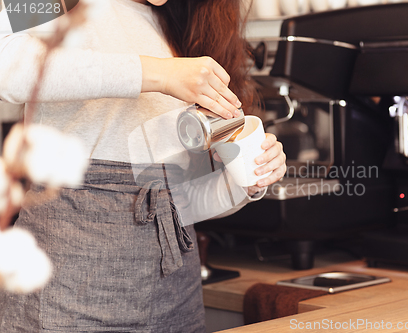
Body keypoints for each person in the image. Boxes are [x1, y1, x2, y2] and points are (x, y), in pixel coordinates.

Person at [0, 0, 286, 331]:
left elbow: (179, 203)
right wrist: (157, 73)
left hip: (175, 293)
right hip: (69, 283)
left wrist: (244, 183)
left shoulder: (177, 29)